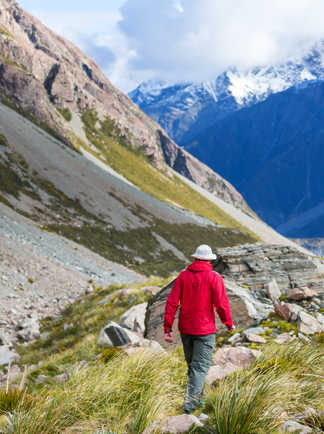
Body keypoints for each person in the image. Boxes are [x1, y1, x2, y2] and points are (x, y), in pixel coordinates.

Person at [164, 244, 235, 414]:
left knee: (193, 367)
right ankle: (190, 408)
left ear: (195, 258)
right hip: (205, 330)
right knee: (199, 368)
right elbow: (221, 304)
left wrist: (167, 328)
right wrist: (228, 323)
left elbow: (172, 302)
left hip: (186, 329)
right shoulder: (214, 277)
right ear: (209, 260)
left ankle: (199, 401)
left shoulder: (183, 276)